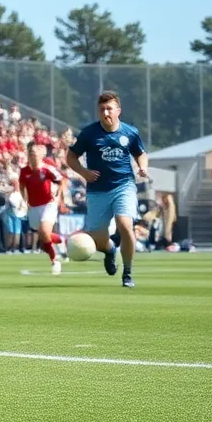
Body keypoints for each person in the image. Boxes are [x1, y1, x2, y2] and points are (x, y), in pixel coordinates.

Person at [65, 91, 148, 288]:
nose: (105, 112)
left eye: (109, 108)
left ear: (118, 111)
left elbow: (141, 154)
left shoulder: (130, 132)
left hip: (124, 186)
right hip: (97, 191)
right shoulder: (89, 133)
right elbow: (71, 157)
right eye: (102, 109)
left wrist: (143, 166)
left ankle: (127, 272)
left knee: (125, 224)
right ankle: (110, 251)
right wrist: (83, 172)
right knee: (99, 239)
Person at [19, 141, 66, 275]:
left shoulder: (47, 169)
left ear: (40, 155)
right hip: (33, 207)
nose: (32, 155)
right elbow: (22, 187)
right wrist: (25, 200)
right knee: (44, 236)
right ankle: (61, 240)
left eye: (35, 153)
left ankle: (55, 261)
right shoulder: (24, 171)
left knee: (44, 232)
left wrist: (58, 195)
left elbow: (60, 180)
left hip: (48, 204)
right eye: (30, 153)